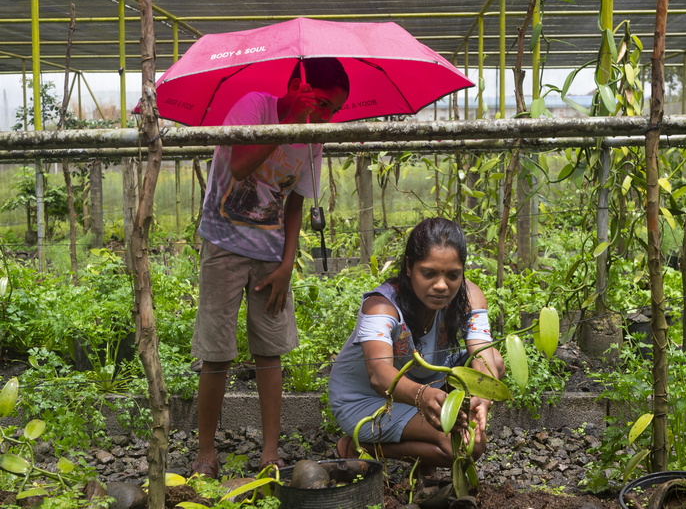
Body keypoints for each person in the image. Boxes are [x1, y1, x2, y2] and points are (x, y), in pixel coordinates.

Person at [190, 58, 350, 478]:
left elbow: (295, 202)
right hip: (223, 245)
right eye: (324, 105)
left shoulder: (313, 138)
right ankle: (206, 454)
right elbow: (240, 165)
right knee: (216, 352)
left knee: (269, 351)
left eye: (334, 110)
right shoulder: (254, 107)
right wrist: (292, 120)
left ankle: (270, 454)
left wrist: (287, 264)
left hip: (270, 254)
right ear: (299, 88)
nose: (328, 117)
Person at [328, 217, 505, 469]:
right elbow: (378, 375)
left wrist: (482, 398)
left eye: (453, 275)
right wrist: (422, 396)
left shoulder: (470, 297)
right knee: (466, 447)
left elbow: (482, 354)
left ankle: (424, 429)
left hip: (425, 384)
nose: (441, 286)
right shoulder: (381, 307)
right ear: (409, 267)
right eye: (428, 273)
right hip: (367, 401)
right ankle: (360, 445)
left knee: (495, 360)